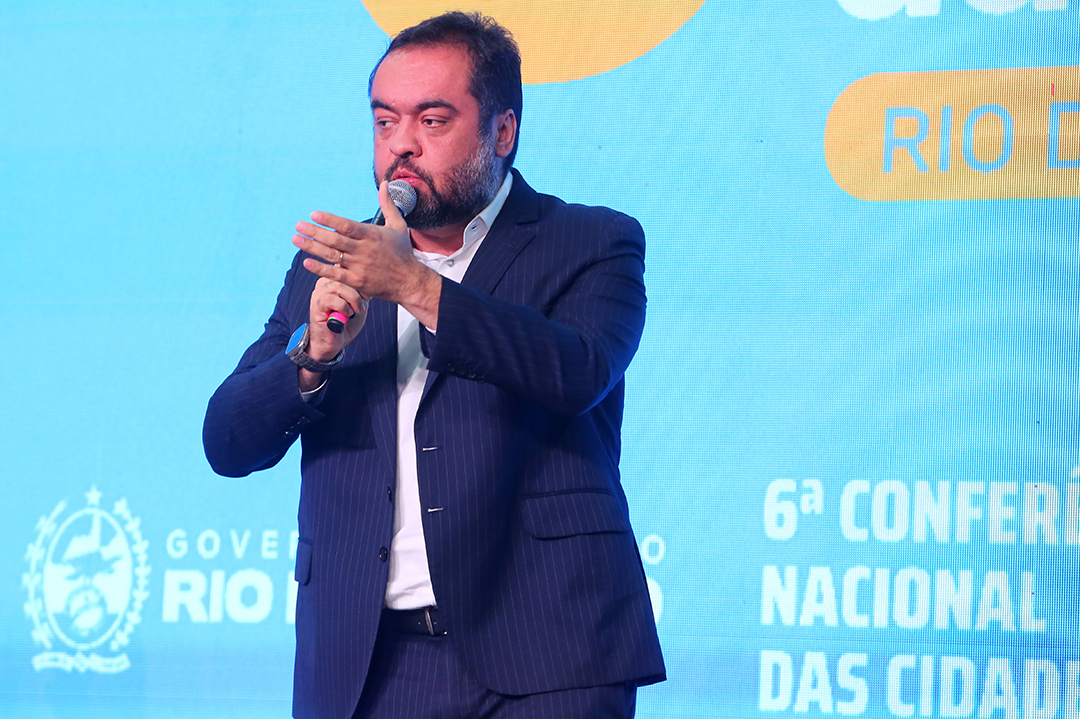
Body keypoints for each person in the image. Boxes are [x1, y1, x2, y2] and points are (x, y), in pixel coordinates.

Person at [203, 11, 664, 719]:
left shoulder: (592, 242)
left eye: (432, 120)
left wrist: (414, 286)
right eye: (384, 121)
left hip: (551, 657)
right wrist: (312, 356)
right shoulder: (333, 262)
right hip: (367, 665)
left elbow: (575, 371)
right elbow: (228, 443)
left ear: (502, 132)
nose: (402, 146)